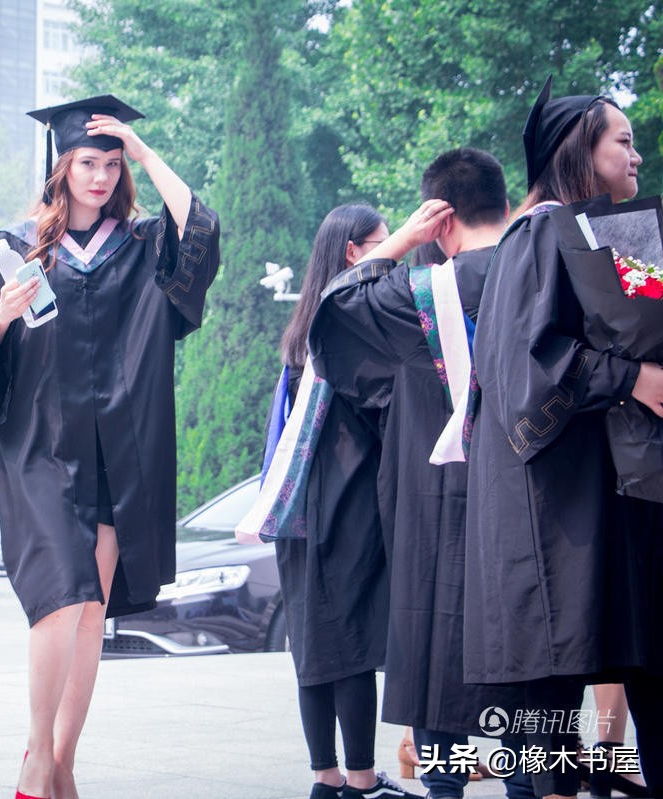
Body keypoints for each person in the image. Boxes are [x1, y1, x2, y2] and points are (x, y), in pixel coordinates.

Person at [0, 94, 219, 799]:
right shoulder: (15, 249)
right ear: (61, 166)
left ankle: (63, 762)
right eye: (87, 162)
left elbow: (200, 229)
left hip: (119, 454)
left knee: (92, 612)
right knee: (62, 597)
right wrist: (0, 319)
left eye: (112, 164)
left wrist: (145, 149)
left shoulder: (141, 246)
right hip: (41, 449)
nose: (100, 176)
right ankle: (37, 757)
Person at [308, 149, 533, 799]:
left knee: (439, 653)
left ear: (440, 219)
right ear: (504, 204)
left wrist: (401, 241)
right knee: (529, 664)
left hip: (438, 507)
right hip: (532, 500)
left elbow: (333, 311)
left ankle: (445, 787)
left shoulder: (416, 295)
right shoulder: (543, 271)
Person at [464, 77, 663, 799]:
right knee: (551, 692)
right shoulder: (540, 233)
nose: (636, 156)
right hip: (555, 503)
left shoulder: (614, 233)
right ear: (580, 149)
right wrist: (631, 377)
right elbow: (529, 360)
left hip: (620, 494)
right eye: (623, 141)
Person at [267, 204, 416, 799]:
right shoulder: (350, 323)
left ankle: (326, 778)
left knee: (313, 644)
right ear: (355, 254)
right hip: (344, 504)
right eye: (383, 245)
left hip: (296, 508)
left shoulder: (302, 333)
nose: (392, 255)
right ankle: (360, 780)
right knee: (349, 642)